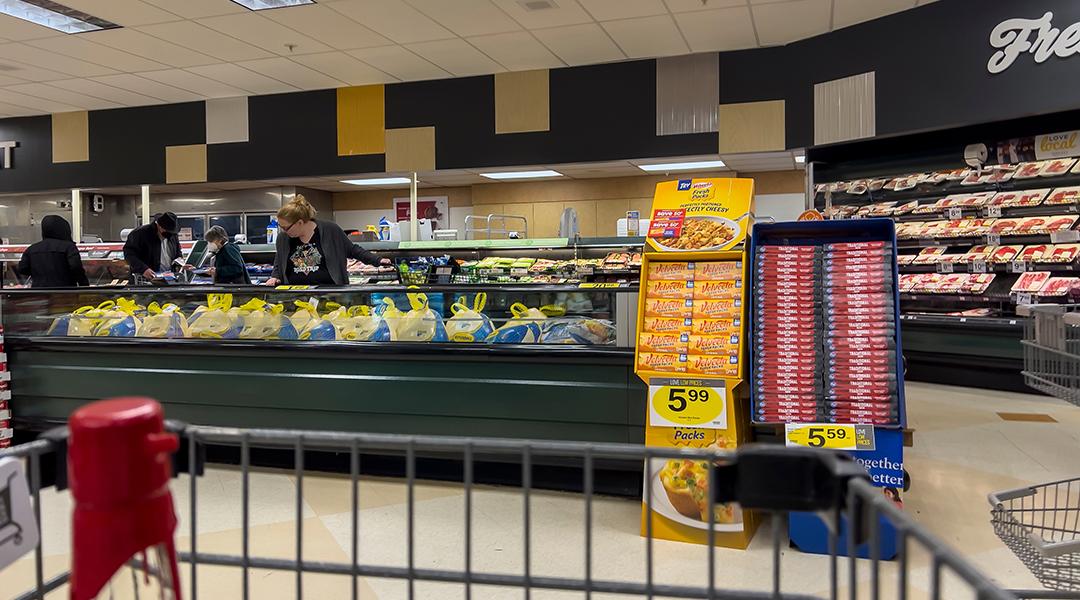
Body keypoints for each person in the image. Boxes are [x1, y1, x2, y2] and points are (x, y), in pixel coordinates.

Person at [264, 195, 388, 286]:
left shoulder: (330, 230)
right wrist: (275, 277)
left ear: (300, 222)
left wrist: (378, 260)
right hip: (295, 296)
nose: (284, 231)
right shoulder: (283, 238)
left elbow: (353, 250)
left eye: (286, 228)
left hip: (329, 294)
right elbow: (279, 262)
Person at [16, 215, 88, 288]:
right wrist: (84, 286)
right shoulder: (69, 247)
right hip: (65, 291)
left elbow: (22, 269)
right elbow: (76, 267)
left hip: (39, 292)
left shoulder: (32, 249)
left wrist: (38, 273)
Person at [123, 212, 182, 281]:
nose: (170, 234)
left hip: (169, 278)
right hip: (145, 280)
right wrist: (143, 269)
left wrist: (180, 263)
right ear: (159, 225)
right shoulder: (140, 234)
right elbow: (129, 254)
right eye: (167, 230)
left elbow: (178, 253)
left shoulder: (172, 235)